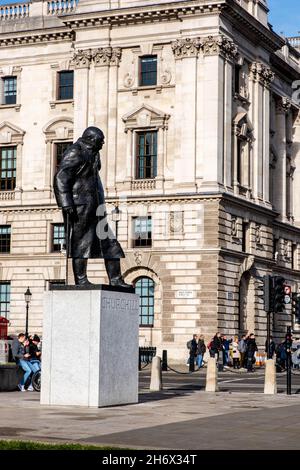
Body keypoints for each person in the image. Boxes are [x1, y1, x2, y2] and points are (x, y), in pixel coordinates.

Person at [54, 126, 131, 288]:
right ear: (91, 139)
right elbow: (61, 177)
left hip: (96, 208)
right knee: (81, 243)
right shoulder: (76, 152)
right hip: (79, 207)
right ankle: (81, 279)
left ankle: (115, 278)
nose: (103, 143)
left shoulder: (93, 153)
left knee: (110, 244)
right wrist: (66, 202)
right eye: (100, 141)